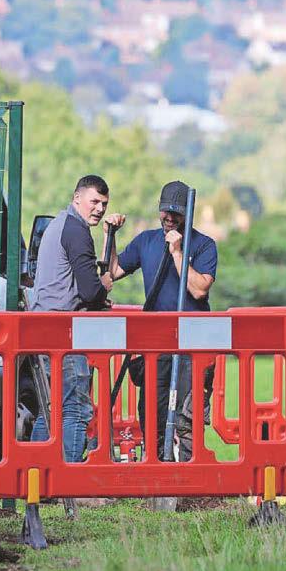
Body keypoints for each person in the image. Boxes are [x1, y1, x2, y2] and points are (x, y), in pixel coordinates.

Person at [108, 181, 218, 461]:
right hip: (156, 343)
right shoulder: (146, 241)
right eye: (165, 212)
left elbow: (198, 289)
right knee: (152, 412)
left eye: (176, 213)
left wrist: (178, 253)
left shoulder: (204, 245)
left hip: (194, 344)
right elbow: (113, 271)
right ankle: (156, 472)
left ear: (188, 214)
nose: (169, 218)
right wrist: (110, 235)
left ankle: (190, 478)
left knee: (187, 416)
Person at [29, 174, 125, 461]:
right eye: (94, 201)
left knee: (51, 409)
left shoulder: (59, 224)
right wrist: (104, 285)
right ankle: (66, 483)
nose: (99, 208)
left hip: (45, 326)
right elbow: (89, 290)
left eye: (104, 204)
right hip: (64, 331)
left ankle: (36, 475)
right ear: (77, 198)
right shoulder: (76, 230)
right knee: (74, 408)